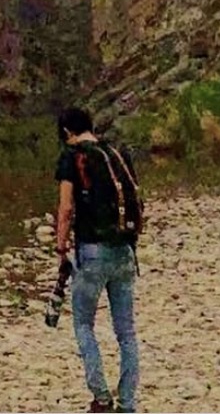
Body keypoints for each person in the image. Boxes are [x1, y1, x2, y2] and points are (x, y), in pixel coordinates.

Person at [54, 106, 141, 413]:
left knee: (83, 324)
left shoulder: (72, 157)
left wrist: (61, 247)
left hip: (91, 252)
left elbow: (66, 209)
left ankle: (101, 397)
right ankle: (128, 404)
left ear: (67, 132)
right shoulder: (116, 154)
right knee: (126, 332)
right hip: (125, 252)